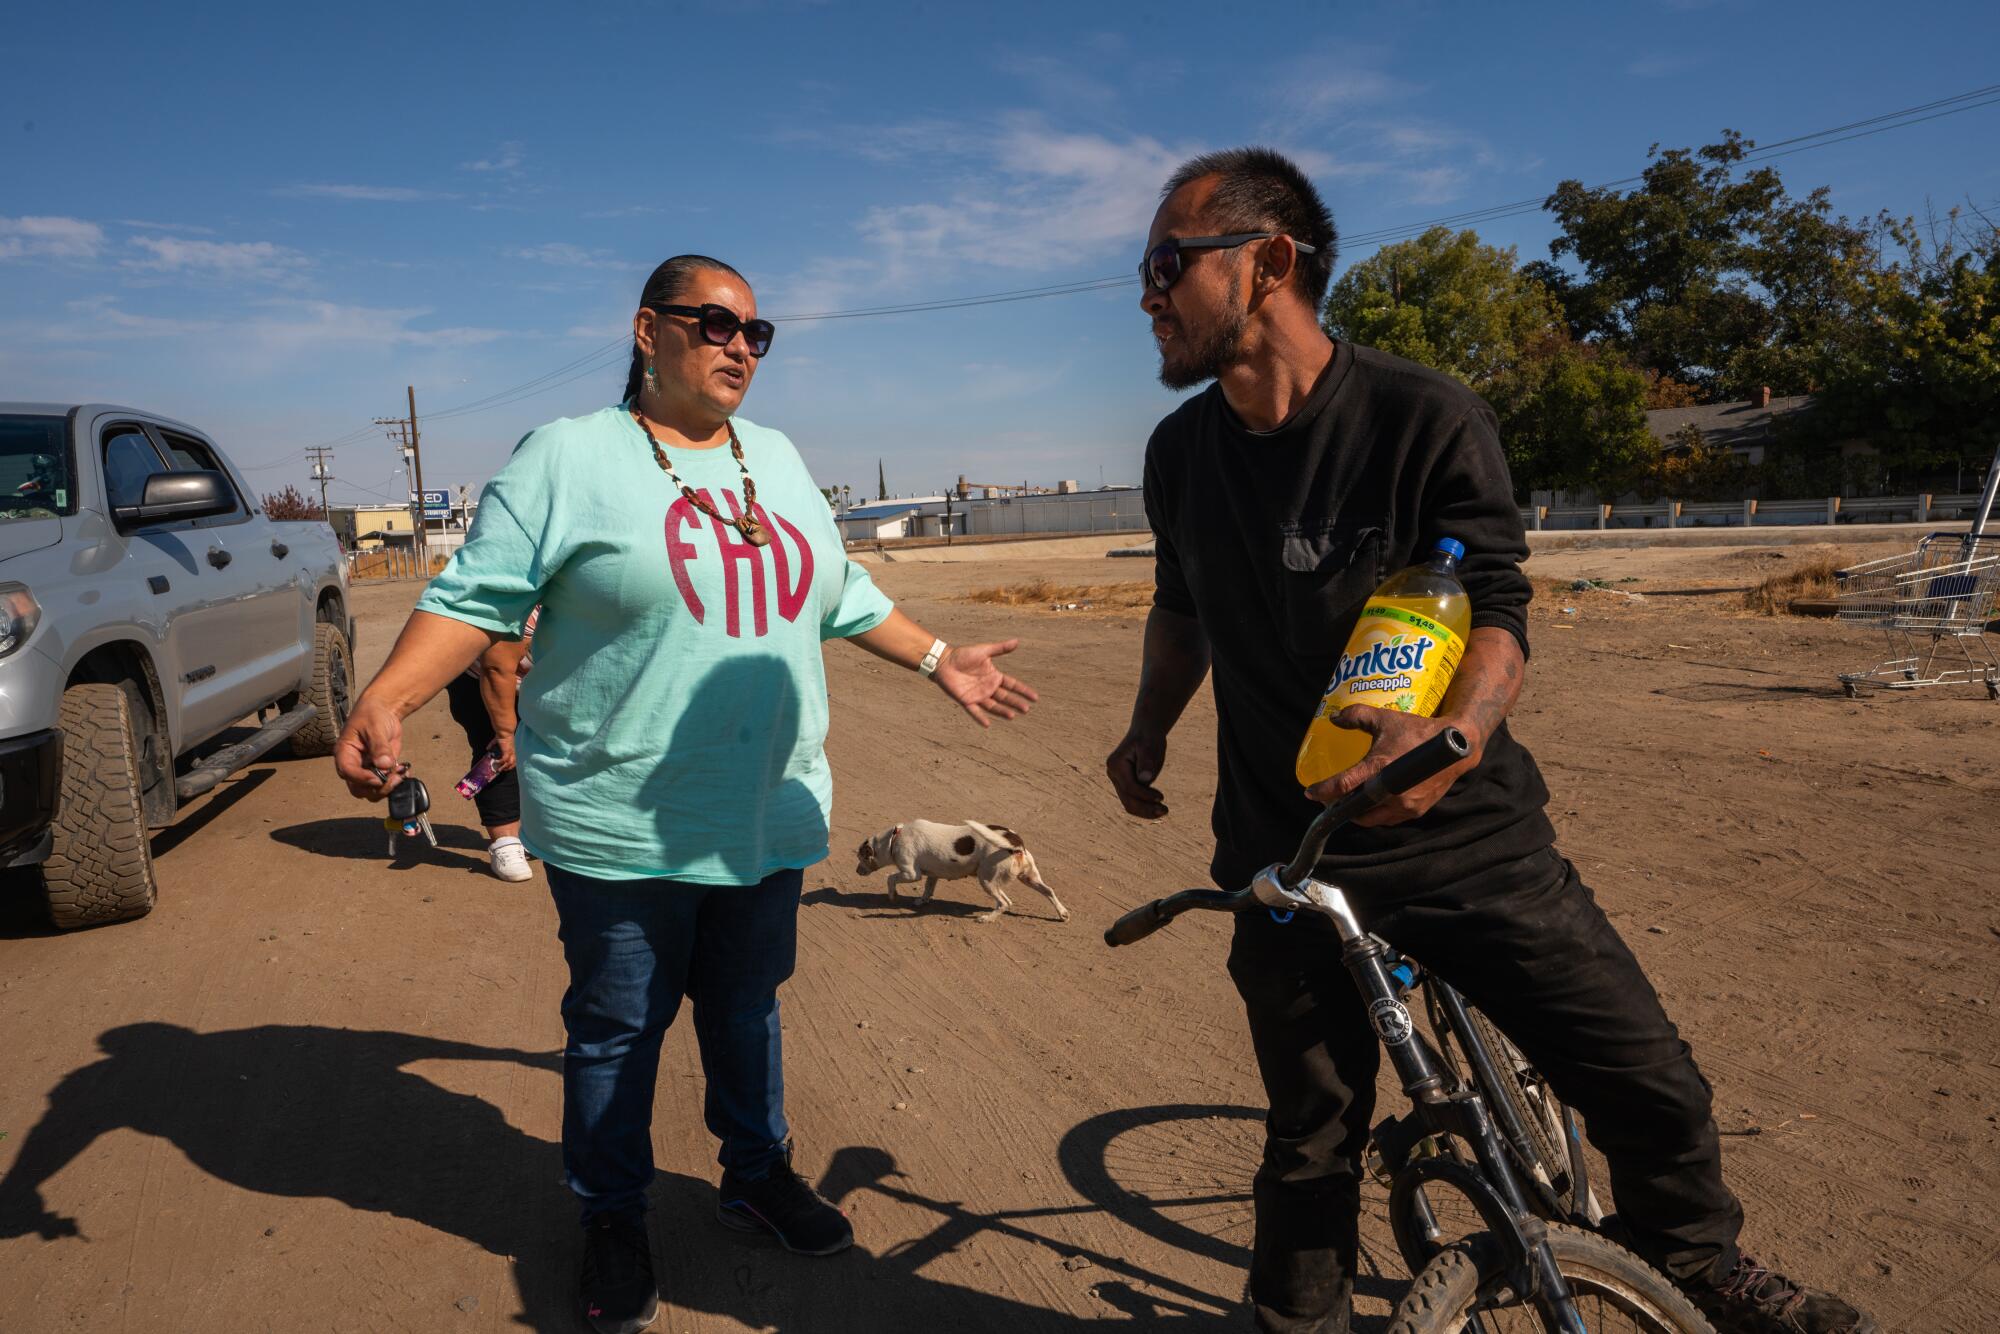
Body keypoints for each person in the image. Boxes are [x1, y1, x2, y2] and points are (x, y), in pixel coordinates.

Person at [1103, 148, 1878, 1334]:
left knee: (1647, 1079)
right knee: (1308, 1137)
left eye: (1166, 261)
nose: (1146, 291)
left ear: (1266, 263)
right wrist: (1146, 729)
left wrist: (1453, 734)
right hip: (1287, 850)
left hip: (1460, 833)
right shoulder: (1178, 456)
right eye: (1144, 268)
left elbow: (1499, 610)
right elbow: (1181, 608)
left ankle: (1693, 1264)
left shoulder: (1420, 415)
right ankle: (1295, 1318)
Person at [334, 254, 1038, 1334]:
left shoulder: (781, 458)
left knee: (746, 1006)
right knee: (618, 1025)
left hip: (764, 808)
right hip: (618, 817)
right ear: (645, 330)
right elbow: (474, 596)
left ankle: (754, 1172)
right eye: (714, 324)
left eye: (757, 333)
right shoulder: (569, 457)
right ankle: (613, 1211)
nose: (739, 347)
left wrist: (938, 654)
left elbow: (839, 586)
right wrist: (385, 694)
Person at [442, 607, 537, 881]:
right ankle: (505, 842)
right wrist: (506, 732)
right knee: (499, 752)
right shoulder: (522, 607)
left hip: (538, 679)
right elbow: (496, 667)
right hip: (481, 674)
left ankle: (533, 830)